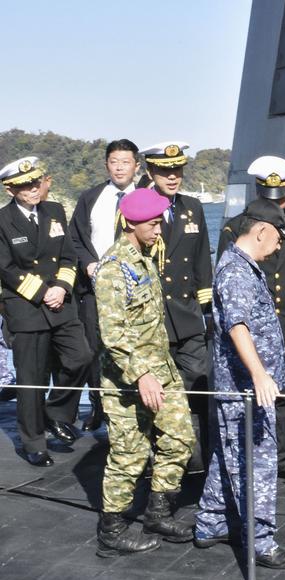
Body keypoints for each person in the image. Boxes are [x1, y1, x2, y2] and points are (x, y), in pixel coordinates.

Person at [193, 199, 285, 569]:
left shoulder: (243, 267)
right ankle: (262, 542)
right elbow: (237, 326)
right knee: (255, 464)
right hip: (245, 391)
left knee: (230, 456)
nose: (280, 246)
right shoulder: (237, 273)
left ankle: (210, 522)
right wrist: (258, 374)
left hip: (242, 388)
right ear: (261, 231)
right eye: (278, 239)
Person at [93, 188, 195, 556]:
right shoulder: (113, 269)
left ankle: (158, 512)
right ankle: (112, 531)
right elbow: (114, 333)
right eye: (153, 224)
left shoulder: (144, 258)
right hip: (127, 379)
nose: (158, 230)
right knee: (129, 454)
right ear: (132, 223)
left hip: (161, 370)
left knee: (180, 438)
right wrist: (142, 376)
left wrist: (157, 372)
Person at [217, 155, 285, 482]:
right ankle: (246, 456)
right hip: (251, 324)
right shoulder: (235, 227)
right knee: (247, 392)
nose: (278, 203)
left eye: (283, 196)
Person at [0, 157, 91, 465]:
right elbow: (7, 269)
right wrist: (43, 293)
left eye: (36, 182)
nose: (34, 188)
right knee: (31, 378)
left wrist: (62, 288)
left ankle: (56, 412)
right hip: (26, 307)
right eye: (26, 185)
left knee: (81, 357)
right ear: (11, 189)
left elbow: (68, 256)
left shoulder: (54, 212)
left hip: (61, 302)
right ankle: (34, 442)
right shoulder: (2, 221)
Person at [139, 141, 212, 473]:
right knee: (160, 390)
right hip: (154, 316)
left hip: (188, 315)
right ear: (151, 172)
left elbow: (201, 262)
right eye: (165, 171)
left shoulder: (192, 207)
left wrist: (205, 309)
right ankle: (161, 451)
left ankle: (196, 453)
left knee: (198, 380)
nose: (173, 177)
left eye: (177, 170)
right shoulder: (137, 208)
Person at [69, 139, 140, 431]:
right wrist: (87, 264)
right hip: (95, 289)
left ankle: (133, 408)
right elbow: (74, 239)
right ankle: (99, 408)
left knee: (132, 349)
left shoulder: (147, 196)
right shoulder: (91, 197)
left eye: (125, 161)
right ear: (106, 164)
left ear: (136, 166)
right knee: (95, 352)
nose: (120, 167)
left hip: (135, 290)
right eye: (114, 161)